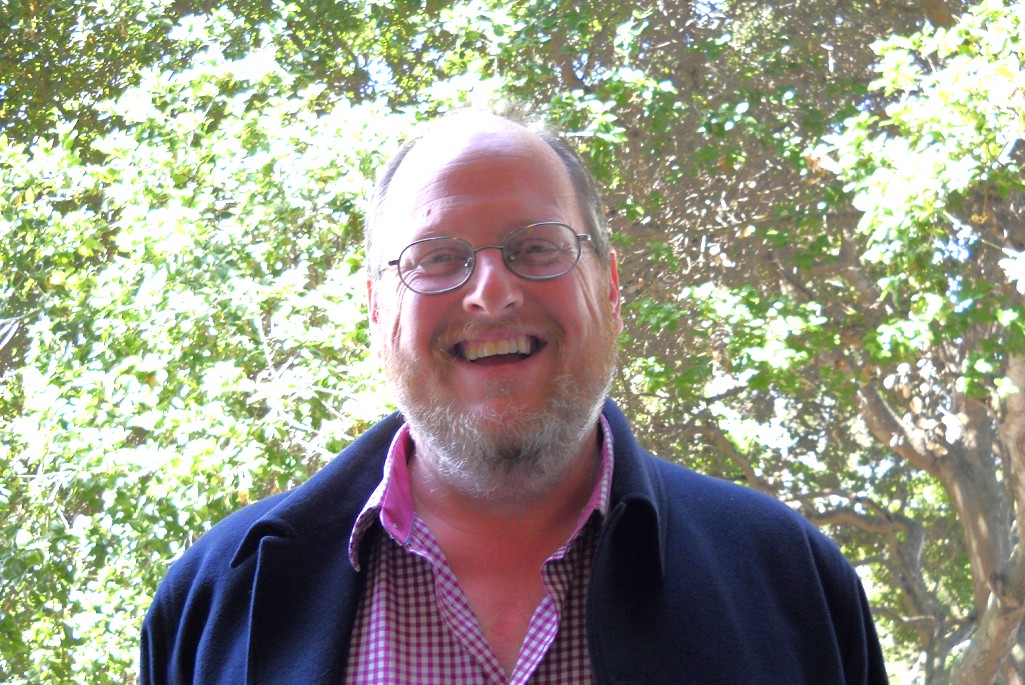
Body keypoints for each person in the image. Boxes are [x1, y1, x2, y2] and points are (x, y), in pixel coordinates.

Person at [141, 110, 889, 684]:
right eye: (437, 259)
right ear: (376, 309)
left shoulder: (791, 583)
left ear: (609, 284)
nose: (491, 294)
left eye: (536, 247)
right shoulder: (212, 605)